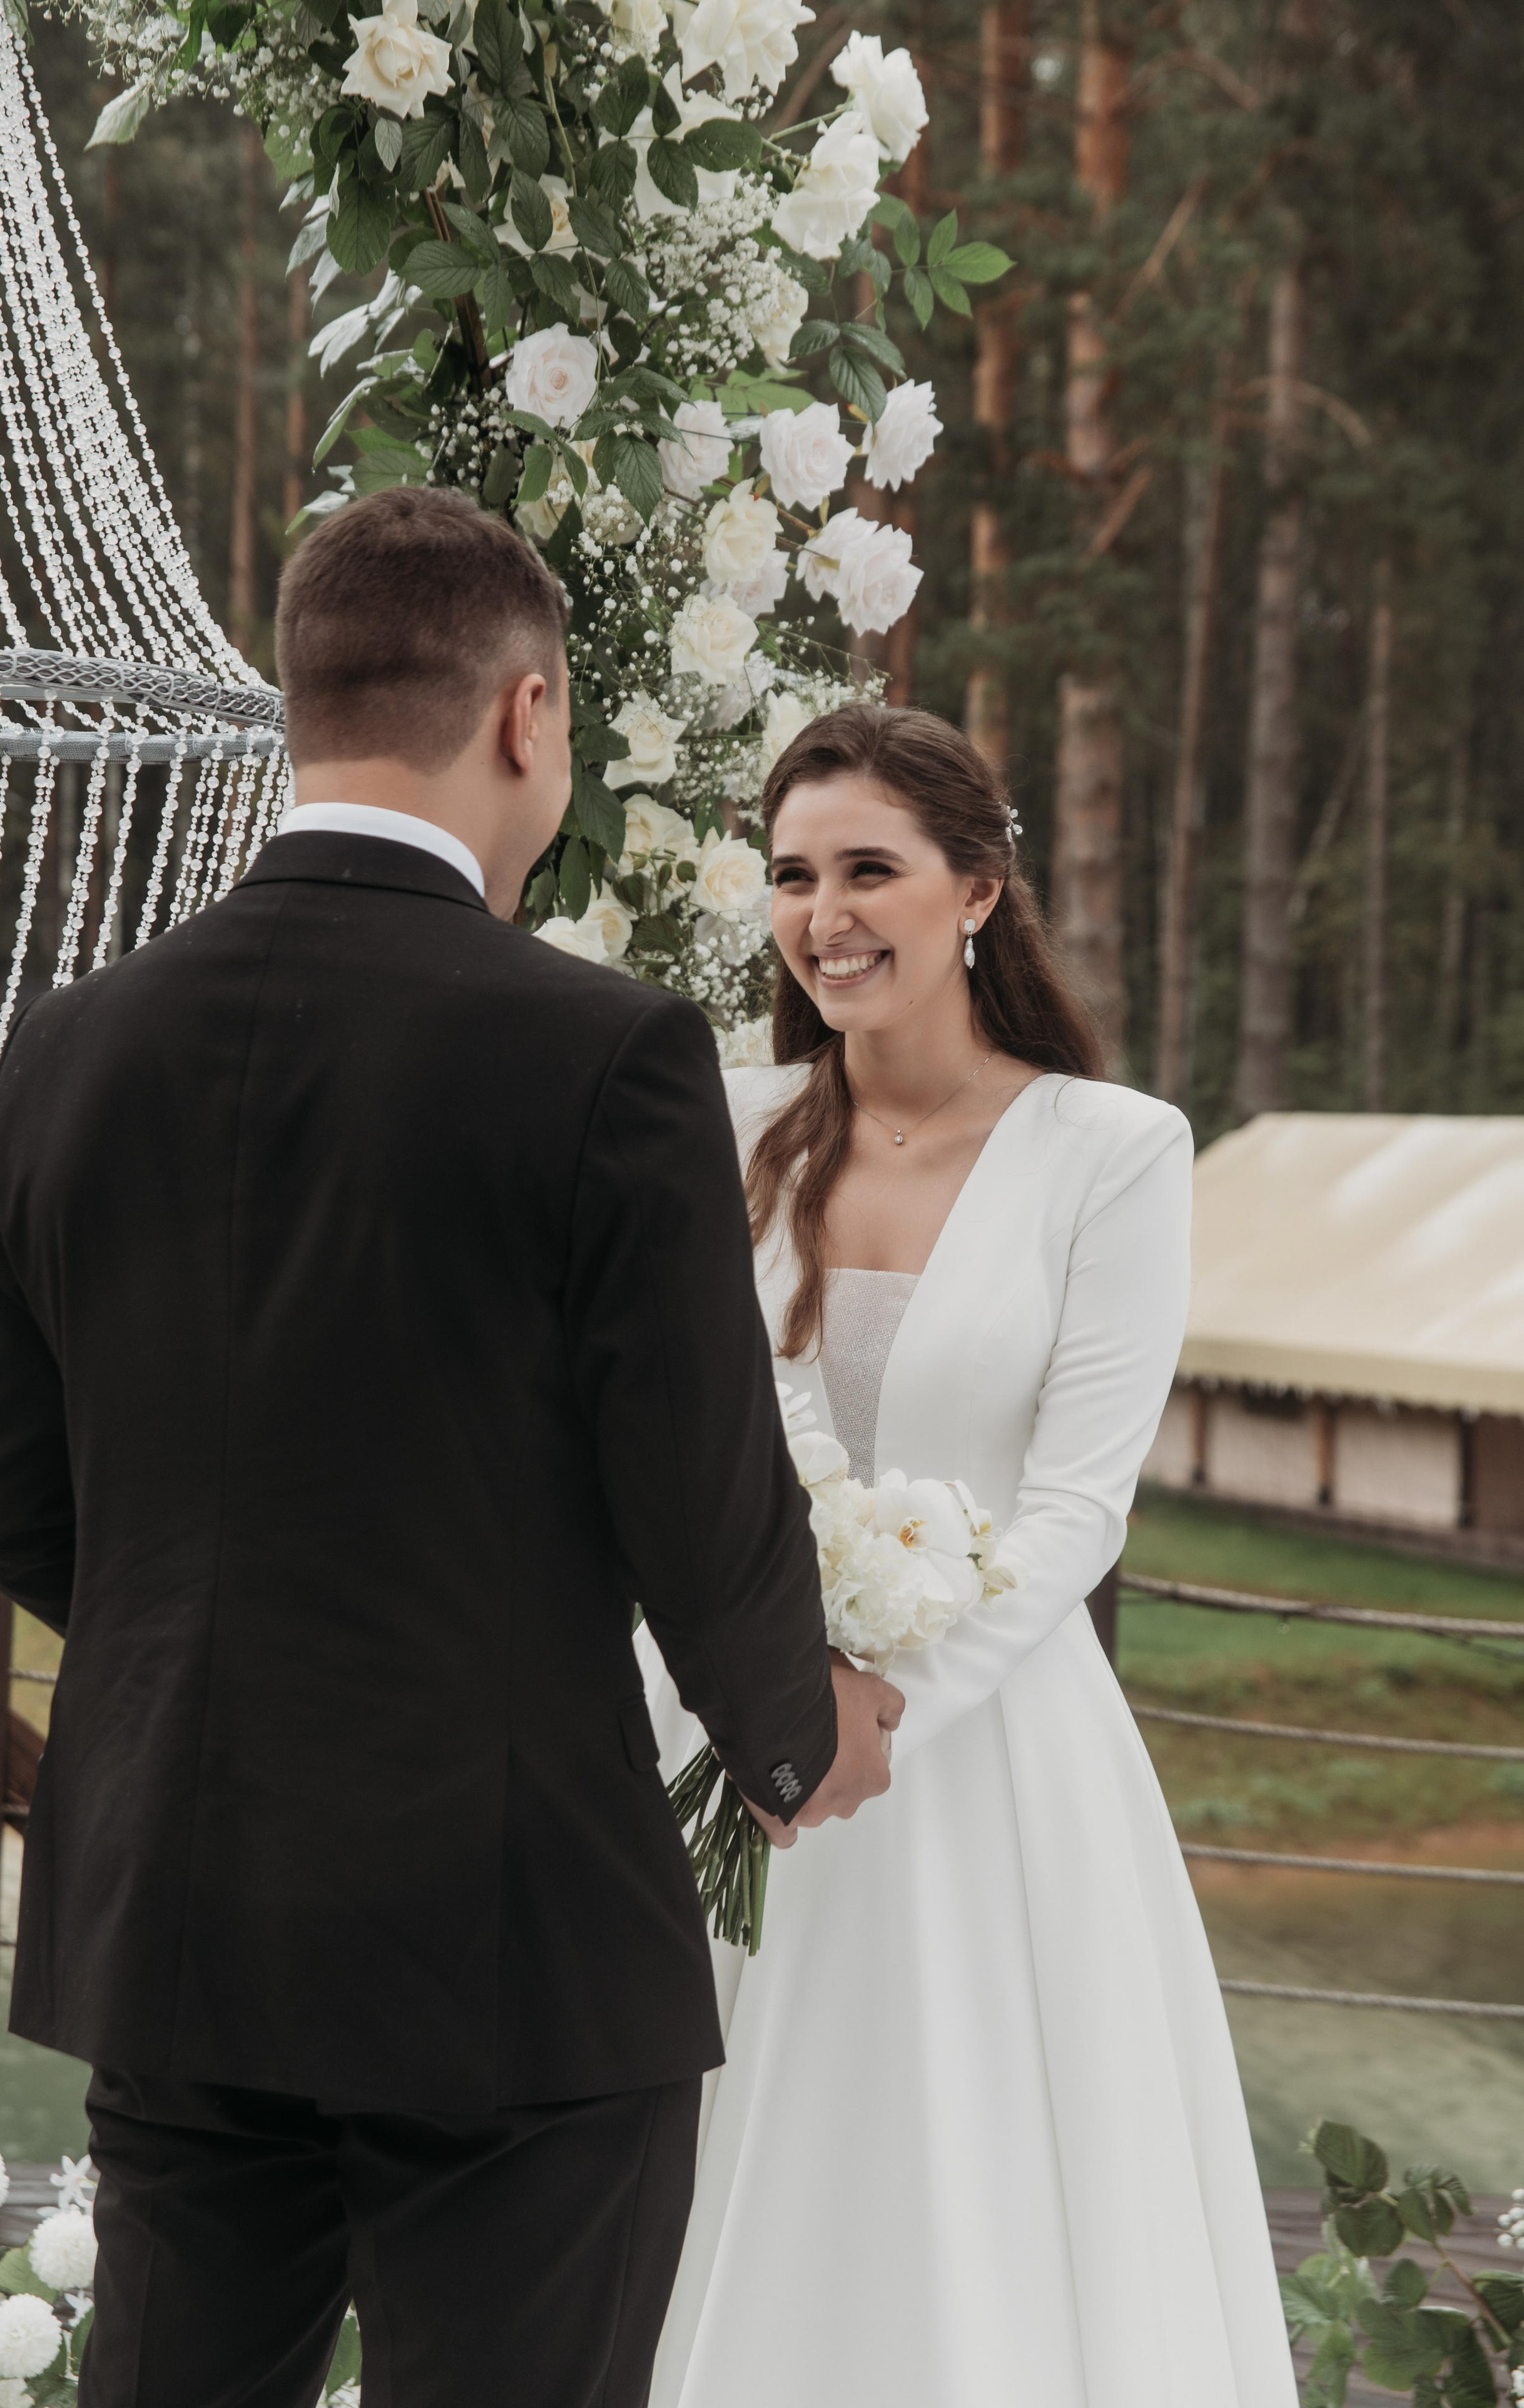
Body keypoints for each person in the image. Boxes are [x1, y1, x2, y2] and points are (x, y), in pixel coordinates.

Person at [0, 490, 902, 2408]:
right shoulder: (602, 1054)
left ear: (300, 705)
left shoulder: (66, 1047)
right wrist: (795, 1721)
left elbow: (27, 1504)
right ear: (529, 714)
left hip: (180, 1921)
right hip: (506, 1943)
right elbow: (692, 1475)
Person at [636, 704, 1299, 2408]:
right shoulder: (727, 1125)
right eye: (793, 875)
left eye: (871, 868)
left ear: (980, 891)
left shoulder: (1114, 1150)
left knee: (984, 2170)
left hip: (994, 1755)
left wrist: (883, 1700)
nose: (824, 913)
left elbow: (1083, 1503)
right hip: (731, 1729)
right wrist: (786, 1688)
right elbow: (710, 1428)